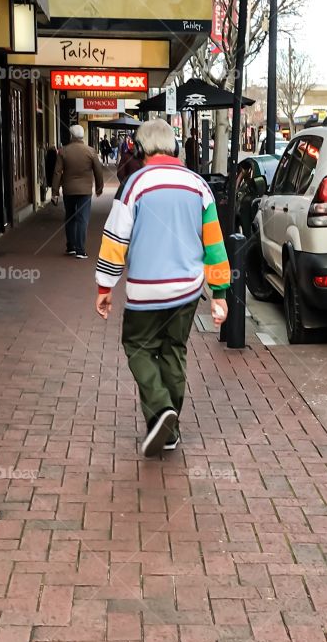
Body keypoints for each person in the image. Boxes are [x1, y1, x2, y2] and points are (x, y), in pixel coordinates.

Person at [95, 118, 230, 456]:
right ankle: (169, 428)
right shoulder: (198, 185)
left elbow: (115, 240)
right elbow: (215, 244)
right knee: (174, 351)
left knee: (139, 347)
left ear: (139, 150)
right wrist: (220, 294)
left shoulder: (134, 185)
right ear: (175, 148)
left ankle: (160, 408)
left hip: (145, 290)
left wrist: (104, 286)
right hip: (186, 291)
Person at [51, 126, 103, 258]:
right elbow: (98, 171)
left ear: (71, 136)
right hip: (85, 191)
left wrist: (55, 192)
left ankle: (71, 247)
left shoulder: (63, 151)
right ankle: (80, 250)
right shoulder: (90, 151)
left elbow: (57, 172)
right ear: (82, 136)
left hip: (68, 189)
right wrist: (99, 187)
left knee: (70, 217)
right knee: (82, 219)